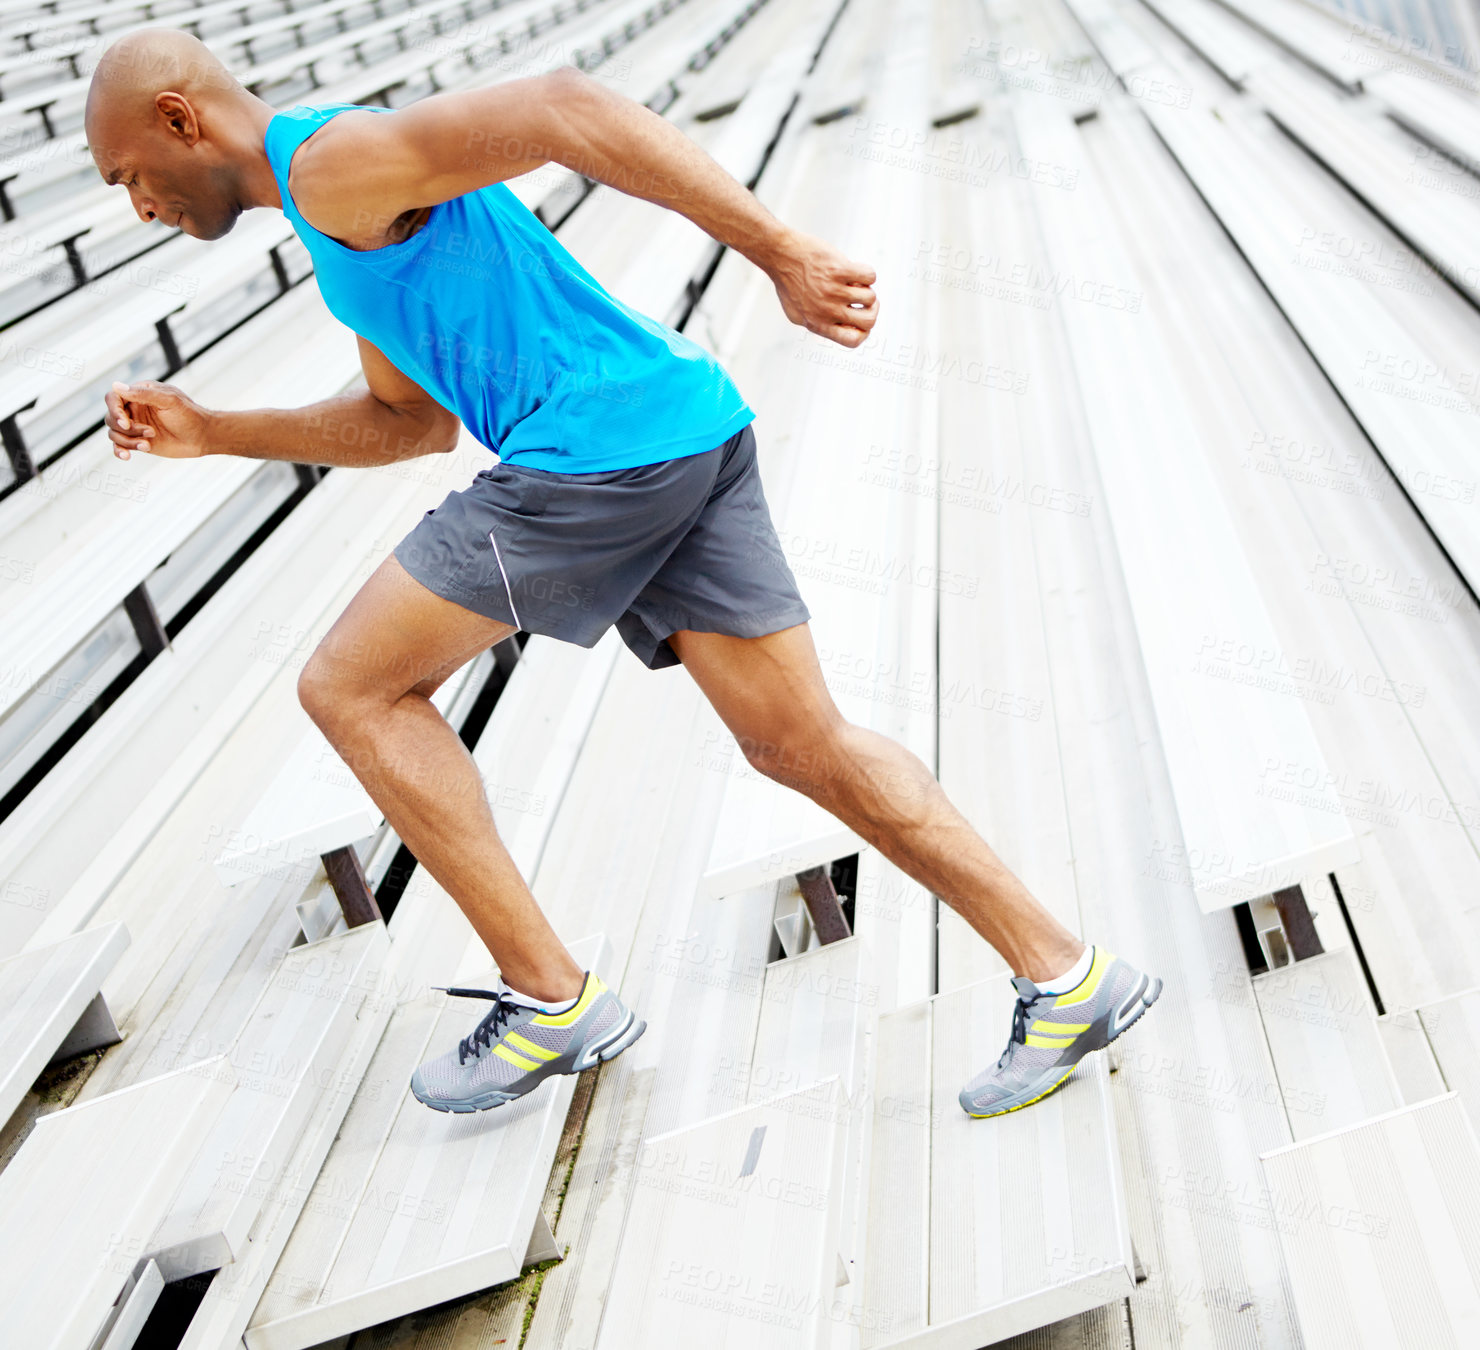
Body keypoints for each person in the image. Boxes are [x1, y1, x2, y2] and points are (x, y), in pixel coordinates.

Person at [84, 29, 1160, 1118]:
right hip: (680, 424)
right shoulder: (337, 214)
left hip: (595, 452)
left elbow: (560, 105)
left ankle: (550, 1000)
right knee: (799, 742)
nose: (139, 206)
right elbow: (407, 424)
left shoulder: (329, 168)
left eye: (128, 176)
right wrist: (216, 431)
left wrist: (776, 249)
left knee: (350, 686)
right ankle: (1066, 974)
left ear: (180, 120)